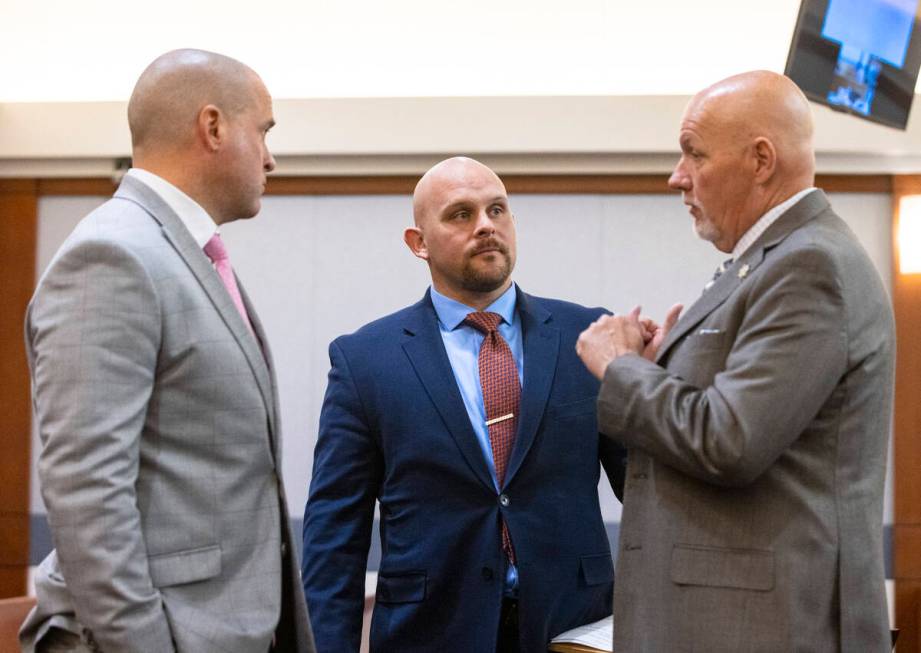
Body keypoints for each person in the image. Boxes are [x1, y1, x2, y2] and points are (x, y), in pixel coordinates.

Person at [576, 70, 894, 652]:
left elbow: (730, 440)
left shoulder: (809, 266)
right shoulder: (773, 262)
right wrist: (658, 367)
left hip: (763, 628)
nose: (677, 177)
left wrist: (622, 366)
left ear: (761, 161)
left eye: (694, 154)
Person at [20, 49, 315, 653]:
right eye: (263, 131)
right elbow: (86, 488)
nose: (270, 158)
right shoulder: (112, 256)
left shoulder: (181, 251)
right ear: (212, 127)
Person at [302, 156, 626, 652]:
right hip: (430, 632)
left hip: (570, 629)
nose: (485, 227)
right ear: (419, 243)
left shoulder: (587, 338)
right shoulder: (365, 360)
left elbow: (646, 493)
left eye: (497, 211)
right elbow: (334, 537)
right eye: (460, 214)